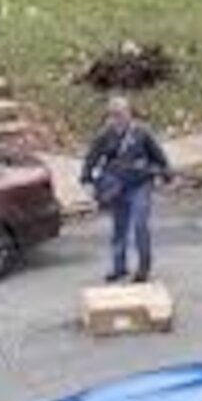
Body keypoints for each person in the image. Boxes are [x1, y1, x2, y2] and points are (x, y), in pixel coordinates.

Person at [80, 95, 173, 283]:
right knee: (119, 229)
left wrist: (165, 175)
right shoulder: (104, 135)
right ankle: (119, 267)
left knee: (140, 225)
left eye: (120, 114)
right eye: (113, 115)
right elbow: (91, 158)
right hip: (117, 188)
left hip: (140, 185)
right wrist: (87, 181)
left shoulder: (142, 133)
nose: (117, 119)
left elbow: (160, 159)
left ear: (129, 113)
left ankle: (143, 268)